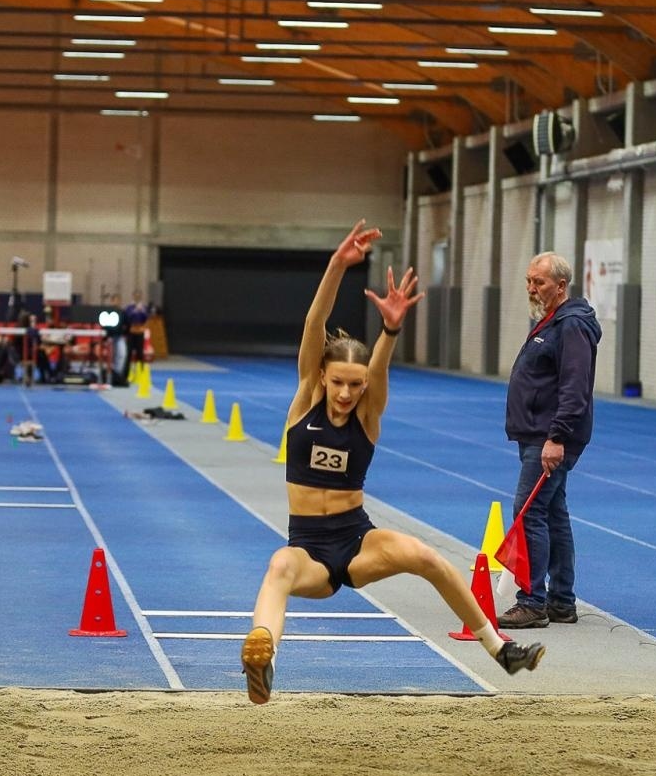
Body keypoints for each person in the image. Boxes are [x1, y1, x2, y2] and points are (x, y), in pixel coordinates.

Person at [240, 221, 546, 706]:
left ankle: (500, 649)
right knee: (278, 565)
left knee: (427, 556)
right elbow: (314, 325)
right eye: (337, 382)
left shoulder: (366, 413)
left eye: (354, 385)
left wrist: (391, 329)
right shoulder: (305, 401)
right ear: (321, 375)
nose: (345, 393)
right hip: (310, 551)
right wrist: (338, 266)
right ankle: (263, 657)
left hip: (357, 540)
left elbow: (378, 369)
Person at [496, 252, 602, 630]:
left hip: (550, 438)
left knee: (528, 512)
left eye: (538, 282)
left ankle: (532, 601)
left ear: (561, 285)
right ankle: (560, 601)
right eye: (529, 280)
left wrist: (556, 437)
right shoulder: (553, 321)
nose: (531, 288)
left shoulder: (571, 325)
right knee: (553, 513)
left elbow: (575, 388)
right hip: (539, 435)